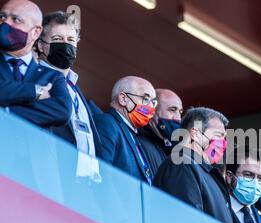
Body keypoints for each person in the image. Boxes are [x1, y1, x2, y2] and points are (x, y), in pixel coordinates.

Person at [153, 107, 235, 223]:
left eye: (224, 138)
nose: (223, 143)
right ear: (195, 134)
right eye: (218, 135)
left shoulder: (203, 171)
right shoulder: (182, 164)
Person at [36, 11, 102, 157]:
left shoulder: (75, 89)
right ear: (41, 45)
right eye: (57, 38)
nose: (65, 44)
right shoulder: (34, 79)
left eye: (71, 39)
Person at [0, 0, 71, 127]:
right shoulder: (42, 86)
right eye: (2, 17)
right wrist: (35, 91)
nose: (5, 23)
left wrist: (6, 112)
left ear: (36, 32)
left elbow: (62, 111)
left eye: (16, 19)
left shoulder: (53, 77)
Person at [94, 76, 157, 184]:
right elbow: (102, 174)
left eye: (153, 102)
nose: (151, 107)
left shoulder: (132, 134)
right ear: (123, 99)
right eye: (146, 99)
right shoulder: (107, 123)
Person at [138, 88, 183, 180]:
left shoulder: (176, 150)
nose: (178, 118)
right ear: (153, 110)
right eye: (172, 110)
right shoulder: (137, 141)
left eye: (180, 112)